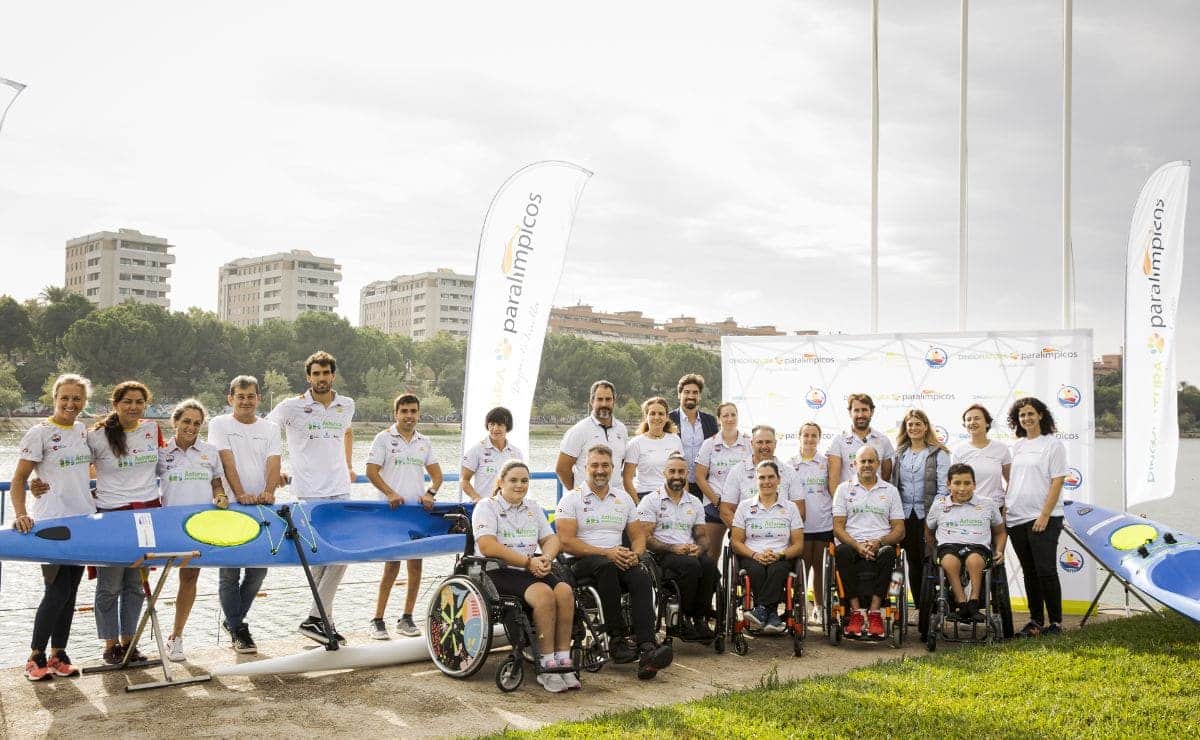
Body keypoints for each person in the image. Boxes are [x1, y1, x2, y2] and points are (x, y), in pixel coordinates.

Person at [556, 445, 673, 680]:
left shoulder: (623, 499)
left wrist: (635, 554)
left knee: (639, 574)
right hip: (582, 562)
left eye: (605, 466)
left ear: (614, 468)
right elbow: (566, 542)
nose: (600, 470)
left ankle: (647, 647)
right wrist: (606, 552)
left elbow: (638, 536)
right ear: (584, 468)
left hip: (616, 558)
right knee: (606, 566)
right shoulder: (571, 499)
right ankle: (616, 641)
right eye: (595, 465)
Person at [10, 374, 95, 681]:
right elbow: (19, 479)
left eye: (77, 399)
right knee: (56, 590)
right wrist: (21, 512)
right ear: (55, 398)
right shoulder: (39, 432)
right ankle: (35, 656)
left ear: (84, 402)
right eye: (65, 398)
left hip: (83, 520)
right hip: (52, 523)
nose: (71, 404)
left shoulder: (83, 430)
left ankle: (59, 654)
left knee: (71, 592)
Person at [268, 351, 356, 646]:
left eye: (325, 373)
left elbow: (347, 433)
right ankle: (321, 620)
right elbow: (266, 433)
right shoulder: (291, 406)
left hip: (340, 489)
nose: (321, 378)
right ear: (308, 377)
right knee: (324, 560)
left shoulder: (347, 405)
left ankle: (319, 619)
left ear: (333, 375)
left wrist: (349, 464)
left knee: (338, 555)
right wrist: (276, 467)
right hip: (307, 492)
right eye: (315, 374)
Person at [473, 460, 578, 693]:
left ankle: (563, 659)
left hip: (532, 566)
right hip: (498, 571)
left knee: (565, 591)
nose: (519, 485)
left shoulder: (532, 507)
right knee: (543, 595)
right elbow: (487, 545)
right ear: (500, 482)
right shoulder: (486, 507)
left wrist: (546, 559)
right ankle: (545, 662)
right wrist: (528, 562)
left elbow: (551, 540)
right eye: (513, 480)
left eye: (524, 481)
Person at [88, 381, 163, 664]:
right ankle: (110, 646)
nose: (133, 407)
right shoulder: (96, 436)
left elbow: (166, 464)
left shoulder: (151, 429)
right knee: (110, 584)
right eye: (128, 402)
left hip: (145, 514)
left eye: (139, 402)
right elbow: (72, 467)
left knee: (135, 583)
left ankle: (129, 643)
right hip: (112, 515)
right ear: (116, 403)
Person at [207, 375, 281, 654]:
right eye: (240, 396)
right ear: (231, 399)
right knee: (229, 574)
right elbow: (226, 460)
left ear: (258, 399)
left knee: (258, 572)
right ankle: (239, 628)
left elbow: (274, 461)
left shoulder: (270, 428)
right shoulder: (219, 424)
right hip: (229, 507)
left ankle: (232, 622)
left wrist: (269, 490)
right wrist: (239, 494)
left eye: (251, 396)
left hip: (261, 506)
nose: (246, 401)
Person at [365, 393, 442, 639]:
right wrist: (389, 493)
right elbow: (371, 471)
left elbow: (437, 476)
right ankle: (377, 619)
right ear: (396, 413)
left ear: (418, 414)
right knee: (391, 566)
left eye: (413, 412)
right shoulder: (384, 439)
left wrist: (430, 492)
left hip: (415, 513)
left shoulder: (424, 441)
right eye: (404, 411)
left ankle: (407, 618)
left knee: (416, 566)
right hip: (391, 513)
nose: (409, 416)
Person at [157, 399, 227, 662]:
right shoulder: (161, 452)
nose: (191, 427)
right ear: (175, 422)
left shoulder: (210, 451)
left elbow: (217, 484)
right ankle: (133, 639)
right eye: (186, 421)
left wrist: (220, 496)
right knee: (149, 580)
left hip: (197, 527)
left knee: (188, 580)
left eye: (197, 423)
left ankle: (176, 636)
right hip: (165, 526)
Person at [1004, 397, 1068, 637]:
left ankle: (1056, 622)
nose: (1026, 418)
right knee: (1029, 571)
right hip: (1016, 517)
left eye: (1031, 413)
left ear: (1041, 415)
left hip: (1043, 518)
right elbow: (1015, 480)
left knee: (1046, 570)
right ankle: (1036, 621)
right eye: (1022, 415)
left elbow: (1057, 480)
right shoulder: (1018, 446)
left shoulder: (1053, 445)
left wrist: (1044, 515)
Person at [636, 453, 718, 640]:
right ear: (664, 473)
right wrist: (672, 548)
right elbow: (645, 538)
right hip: (662, 554)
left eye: (681, 472)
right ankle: (683, 617)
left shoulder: (695, 502)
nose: (676, 475)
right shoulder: (651, 501)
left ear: (686, 474)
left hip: (688, 552)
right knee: (691, 566)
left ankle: (699, 618)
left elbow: (702, 537)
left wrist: (700, 548)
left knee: (709, 565)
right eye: (672, 471)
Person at [831, 445, 905, 639]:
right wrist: (857, 545)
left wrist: (879, 542)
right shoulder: (843, 489)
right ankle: (855, 613)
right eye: (862, 461)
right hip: (852, 544)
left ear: (878, 464)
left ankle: (874, 613)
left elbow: (899, 529)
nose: (867, 465)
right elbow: (838, 527)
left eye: (871, 461)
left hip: (881, 545)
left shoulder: (890, 491)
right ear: (854, 464)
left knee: (890, 553)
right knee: (842, 552)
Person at [889, 408, 951, 639]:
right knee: (904, 564)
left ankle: (932, 609)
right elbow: (893, 485)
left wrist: (933, 517)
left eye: (918, 424)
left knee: (927, 563)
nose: (913, 428)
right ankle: (909, 608)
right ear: (905, 428)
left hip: (928, 515)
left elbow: (944, 489)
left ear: (926, 426)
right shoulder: (899, 454)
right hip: (903, 516)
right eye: (910, 424)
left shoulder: (939, 454)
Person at [730, 460, 805, 634]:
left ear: (779, 479)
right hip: (751, 555)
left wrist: (780, 555)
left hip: (781, 556)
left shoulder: (791, 508)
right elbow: (736, 542)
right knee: (755, 570)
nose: (766, 481)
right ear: (756, 480)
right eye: (762, 477)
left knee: (777, 569)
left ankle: (762, 610)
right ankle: (772, 615)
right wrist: (755, 555)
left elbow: (799, 544)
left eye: (771, 477)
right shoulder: (744, 507)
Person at [925, 464, 1007, 623]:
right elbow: (928, 532)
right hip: (948, 547)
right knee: (949, 561)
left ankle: (973, 603)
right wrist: (934, 549)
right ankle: (962, 603)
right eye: (957, 483)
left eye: (967, 483)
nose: (962, 488)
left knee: (974, 560)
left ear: (974, 485)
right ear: (948, 484)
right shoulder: (939, 504)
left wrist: (1000, 550)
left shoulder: (987, 504)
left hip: (978, 548)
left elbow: (1000, 532)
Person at [694, 402, 750, 560]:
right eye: (725, 415)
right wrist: (717, 502)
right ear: (719, 419)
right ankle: (712, 585)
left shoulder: (749, 443)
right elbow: (699, 476)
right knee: (711, 554)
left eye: (733, 415)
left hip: (741, 506)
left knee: (744, 551)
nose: (730, 418)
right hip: (714, 505)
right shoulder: (709, 444)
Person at [790, 422, 832, 625]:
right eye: (806, 435)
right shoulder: (790, 463)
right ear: (799, 437)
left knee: (820, 568)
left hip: (823, 522)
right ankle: (800, 608)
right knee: (803, 567)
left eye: (813, 435)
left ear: (819, 438)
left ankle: (819, 607)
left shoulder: (826, 463)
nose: (809, 439)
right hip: (801, 525)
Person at [719, 425, 802, 529]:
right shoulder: (737, 471)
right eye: (759, 442)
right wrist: (746, 535)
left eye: (768, 442)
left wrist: (779, 536)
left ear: (775, 444)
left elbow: (800, 511)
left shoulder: (789, 472)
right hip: (746, 541)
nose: (764, 446)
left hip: (781, 541)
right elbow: (726, 510)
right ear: (752, 444)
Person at [555, 380, 627, 492]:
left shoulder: (622, 429)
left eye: (608, 399)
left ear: (614, 401)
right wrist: (578, 492)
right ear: (591, 401)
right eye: (599, 399)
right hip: (586, 502)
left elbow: (618, 462)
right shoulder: (579, 430)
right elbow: (562, 468)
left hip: (615, 500)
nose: (604, 404)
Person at [952, 404, 1012, 514]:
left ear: (987, 423)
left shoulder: (1001, 449)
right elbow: (955, 485)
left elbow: (1011, 482)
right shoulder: (959, 451)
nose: (972, 422)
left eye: (977, 418)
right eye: (968, 420)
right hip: (968, 510)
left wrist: (1006, 509)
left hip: (996, 509)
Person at [622, 397, 683, 503]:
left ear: (667, 417)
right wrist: (638, 504)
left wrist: (684, 500)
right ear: (646, 416)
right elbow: (627, 479)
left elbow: (682, 474)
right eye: (652, 413)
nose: (657, 417)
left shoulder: (675, 440)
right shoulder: (636, 443)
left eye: (661, 414)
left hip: (672, 496)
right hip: (645, 496)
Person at [827, 393, 896, 486]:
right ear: (850, 413)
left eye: (864, 410)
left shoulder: (883, 440)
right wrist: (839, 500)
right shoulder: (839, 441)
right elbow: (833, 479)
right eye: (856, 410)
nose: (860, 415)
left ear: (871, 412)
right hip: (848, 499)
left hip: (875, 499)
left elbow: (886, 476)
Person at [667, 373, 718, 498]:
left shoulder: (710, 421)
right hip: (676, 483)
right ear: (679, 395)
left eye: (695, 392)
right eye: (687, 392)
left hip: (704, 485)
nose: (691, 396)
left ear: (699, 396)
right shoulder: (668, 419)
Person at [460, 406, 524, 502]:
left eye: (500, 424)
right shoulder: (476, 450)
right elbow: (464, 480)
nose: (495, 428)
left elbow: (521, 481)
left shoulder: (516, 453)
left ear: (507, 427)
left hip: (509, 507)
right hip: (484, 507)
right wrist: (476, 498)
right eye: (492, 424)